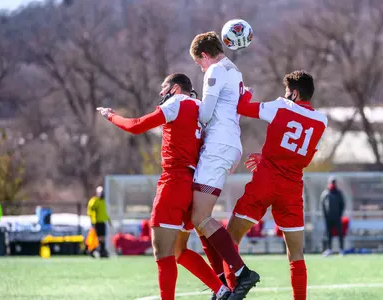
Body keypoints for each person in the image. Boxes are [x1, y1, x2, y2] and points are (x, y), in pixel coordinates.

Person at [97, 73, 230, 300]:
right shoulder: (201, 107)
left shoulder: (176, 102)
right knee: (179, 250)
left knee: (162, 253)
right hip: (194, 186)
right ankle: (221, 290)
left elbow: (136, 126)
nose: (161, 93)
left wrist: (111, 116)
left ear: (176, 88)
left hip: (174, 182)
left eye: (164, 87)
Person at [226, 70, 328, 300]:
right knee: (296, 254)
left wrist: (245, 94)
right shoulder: (322, 121)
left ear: (293, 93)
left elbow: (243, 108)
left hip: (266, 181)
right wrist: (270, 157)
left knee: (229, 239)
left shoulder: (282, 105)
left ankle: (232, 292)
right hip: (291, 188)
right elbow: (303, 156)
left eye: (286, 91)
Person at [189, 31, 259, 299]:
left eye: (199, 63)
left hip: (218, 147)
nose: (201, 67)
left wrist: (185, 108)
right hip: (228, 145)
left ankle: (240, 274)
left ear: (205, 55)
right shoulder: (234, 70)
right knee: (199, 218)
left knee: (200, 217)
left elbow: (205, 113)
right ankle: (222, 284)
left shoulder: (215, 71)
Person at [320, 177, 345, 256]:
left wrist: (339, 214)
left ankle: (341, 249)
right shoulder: (326, 193)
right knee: (329, 234)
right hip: (328, 218)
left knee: (340, 233)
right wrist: (325, 216)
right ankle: (329, 249)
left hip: (337, 217)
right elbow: (322, 205)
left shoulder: (339, 193)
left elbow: (342, 204)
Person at [87, 186, 111, 258]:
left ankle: (102, 251)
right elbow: (90, 211)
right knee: (97, 238)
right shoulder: (94, 201)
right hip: (96, 222)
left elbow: (104, 213)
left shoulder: (103, 201)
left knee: (102, 237)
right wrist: (92, 220)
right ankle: (93, 251)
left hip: (102, 222)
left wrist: (109, 220)